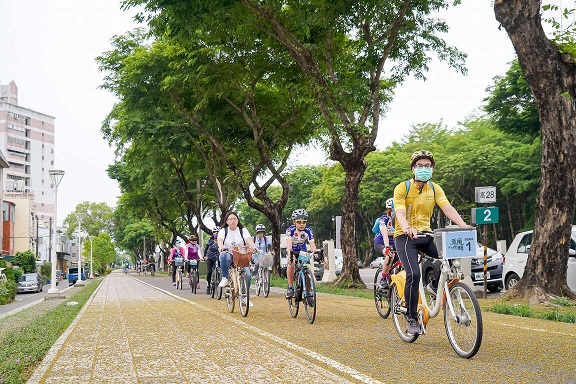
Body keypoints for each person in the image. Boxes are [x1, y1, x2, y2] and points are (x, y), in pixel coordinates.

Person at [393, 150, 470, 336]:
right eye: (420, 166)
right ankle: (411, 317)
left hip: (427, 235)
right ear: (413, 169)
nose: (424, 169)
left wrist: (463, 225)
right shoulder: (402, 188)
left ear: (432, 168)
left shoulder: (435, 188)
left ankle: (435, 285)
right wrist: (406, 228)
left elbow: (447, 208)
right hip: (405, 237)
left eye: (428, 166)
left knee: (449, 258)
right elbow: (400, 212)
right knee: (413, 273)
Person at [217, 212, 259, 306]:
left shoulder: (242, 230)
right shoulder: (223, 231)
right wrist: (221, 246)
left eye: (235, 219)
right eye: (230, 219)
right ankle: (225, 278)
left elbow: (248, 239)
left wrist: (254, 247)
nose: (233, 221)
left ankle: (244, 297)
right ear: (227, 221)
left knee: (247, 274)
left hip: (241, 256)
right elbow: (220, 240)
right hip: (230, 255)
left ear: (237, 220)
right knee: (224, 255)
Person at [285, 209, 318, 298]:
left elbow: (312, 244)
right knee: (291, 263)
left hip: (302, 250)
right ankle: (290, 287)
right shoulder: (290, 230)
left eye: (304, 221)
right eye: (299, 222)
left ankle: (307, 293)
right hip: (292, 250)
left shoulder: (308, 230)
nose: (302, 224)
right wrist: (289, 256)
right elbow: (289, 244)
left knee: (307, 268)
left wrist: (316, 253)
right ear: (294, 222)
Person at [375, 198, 396, 290]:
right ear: (388, 210)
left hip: (395, 242)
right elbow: (384, 234)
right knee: (390, 254)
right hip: (381, 242)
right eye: (392, 210)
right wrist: (387, 247)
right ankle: (383, 279)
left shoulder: (402, 219)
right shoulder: (383, 220)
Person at [204, 226, 221, 295]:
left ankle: (218, 281)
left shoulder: (222, 240)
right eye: (215, 232)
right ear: (213, 233)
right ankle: (208, 285)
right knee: (209, 271)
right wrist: (205, 256)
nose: (216, 234)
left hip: (218, 257)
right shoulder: (210, 240)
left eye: (218, 232)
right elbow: (206, 248)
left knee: (220, 270)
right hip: (210, 257)